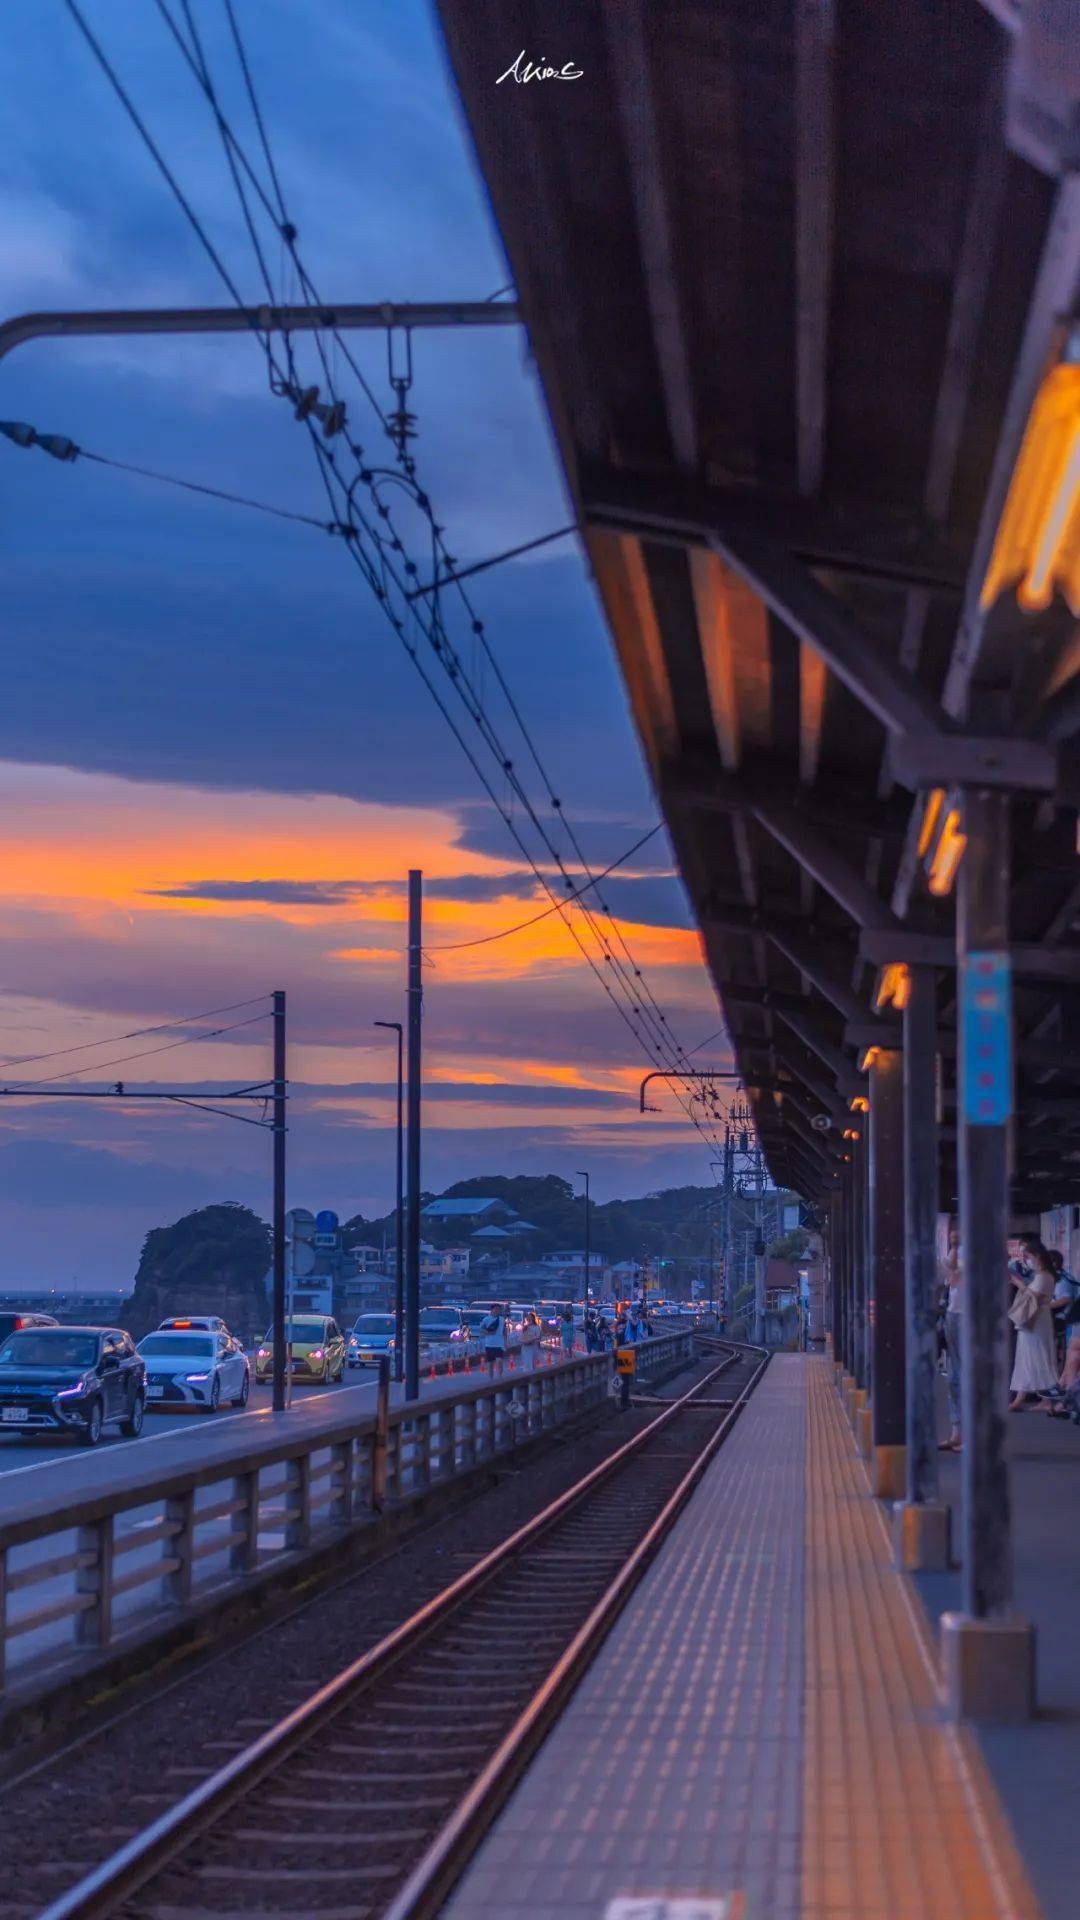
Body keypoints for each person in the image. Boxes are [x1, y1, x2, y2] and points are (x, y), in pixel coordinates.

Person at [1008, 1239, 1059, 1409]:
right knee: (1027, 1357)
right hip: (1034, 1320)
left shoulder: (1044, 1277)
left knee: (1038, 1355)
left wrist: (1018, 1283)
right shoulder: (1042, 1276)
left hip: (1037, 1320)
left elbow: (1033, 1297)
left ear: (1037, 1256)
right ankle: (1028, 1398)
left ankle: (1044, 1399)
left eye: (1028, 1256)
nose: (1026, 1260)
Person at [938, 1219, 962, 1452]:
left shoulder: (980, 1252)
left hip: (971, 1317)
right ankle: (957, 1432)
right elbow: (944, 1273)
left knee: (967, 1376)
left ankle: (969, 1436)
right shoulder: (956, 1252)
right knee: (954, 1375)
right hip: (954, 1315)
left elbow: (954, 1277)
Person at [481, 1303, 507, 1377]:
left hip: (499, 1344)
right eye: (496, 1309)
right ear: (492, 1310)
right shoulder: (486, 1319)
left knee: (499, 1361)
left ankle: (499, 1377)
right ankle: (491, 1380)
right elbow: (482, 1330)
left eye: (499, 1309)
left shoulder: (502, 1319)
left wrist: (506, 1342)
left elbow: (504, 1331)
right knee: (490, 1364)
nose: (497, 1311)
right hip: (489, 1344)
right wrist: (489, 1332)